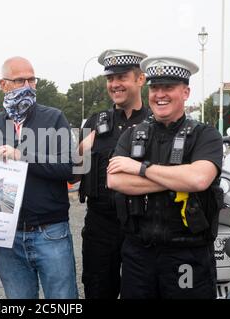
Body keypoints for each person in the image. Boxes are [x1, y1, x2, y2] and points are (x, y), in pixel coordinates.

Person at [107, 56, 223, 299]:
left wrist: (140, 169)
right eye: (155, 88)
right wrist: (175, 178)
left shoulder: (205, 136)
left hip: (187, 255)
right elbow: (115, 181)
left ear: (185, 92)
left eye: (168, 87)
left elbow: (199, 180)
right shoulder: (132, 136)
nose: (160, 94)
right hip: (139, 255)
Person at [0, 56, 78, 299]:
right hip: (7, 238)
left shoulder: (54, 118)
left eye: (32, 79)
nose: (28, 85)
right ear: (4, 84)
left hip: (51, 232)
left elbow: (70, 167)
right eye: (20, 80)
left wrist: (22, 156)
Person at [76, 49, 150, 299]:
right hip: (101, 227)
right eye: (110, 79)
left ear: (140, 79)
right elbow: (73, 175)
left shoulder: (156, 122)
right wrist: (82, 149)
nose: (115, 84)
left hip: (142, 225)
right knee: (97, 291)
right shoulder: (95, 122)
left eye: (122, 77)